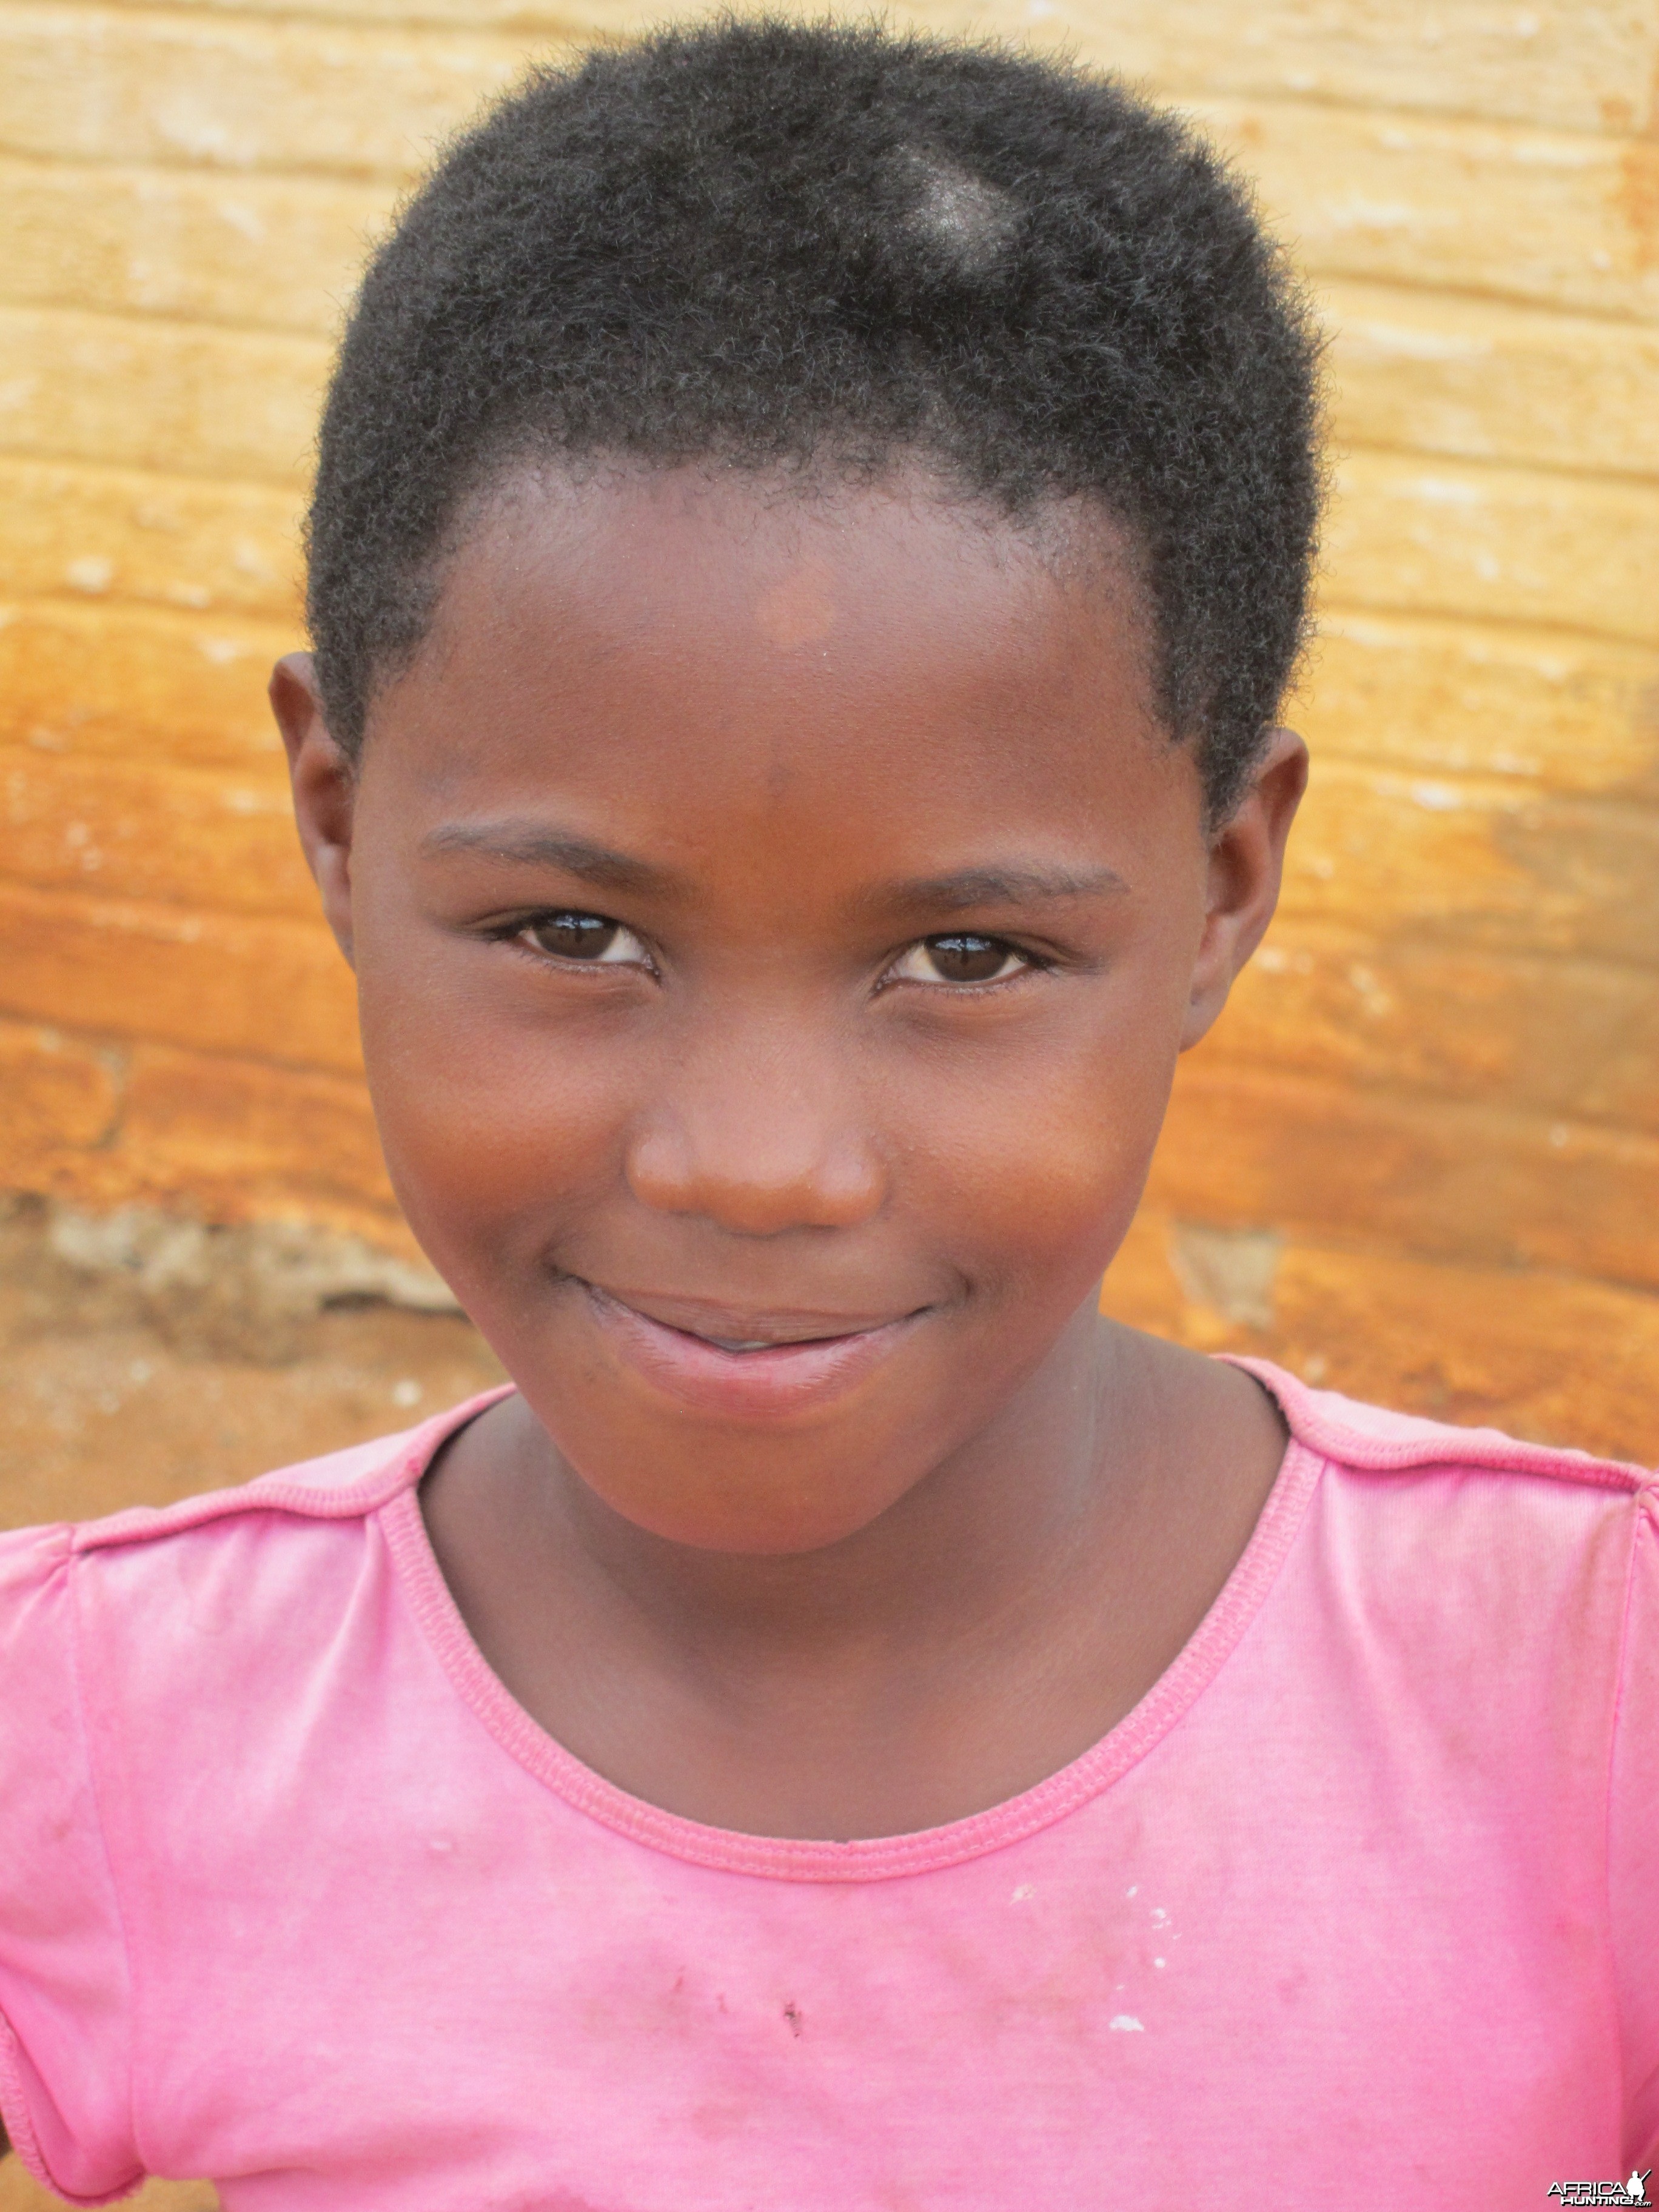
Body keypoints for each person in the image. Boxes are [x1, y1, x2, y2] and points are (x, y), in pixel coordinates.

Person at [1, 19, 1653, 2205]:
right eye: (574, 934)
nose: (756, 1166)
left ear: (1224, 887)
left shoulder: (1580, 1716)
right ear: (332, 814)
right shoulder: (101, 1741)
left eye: (966, 961)